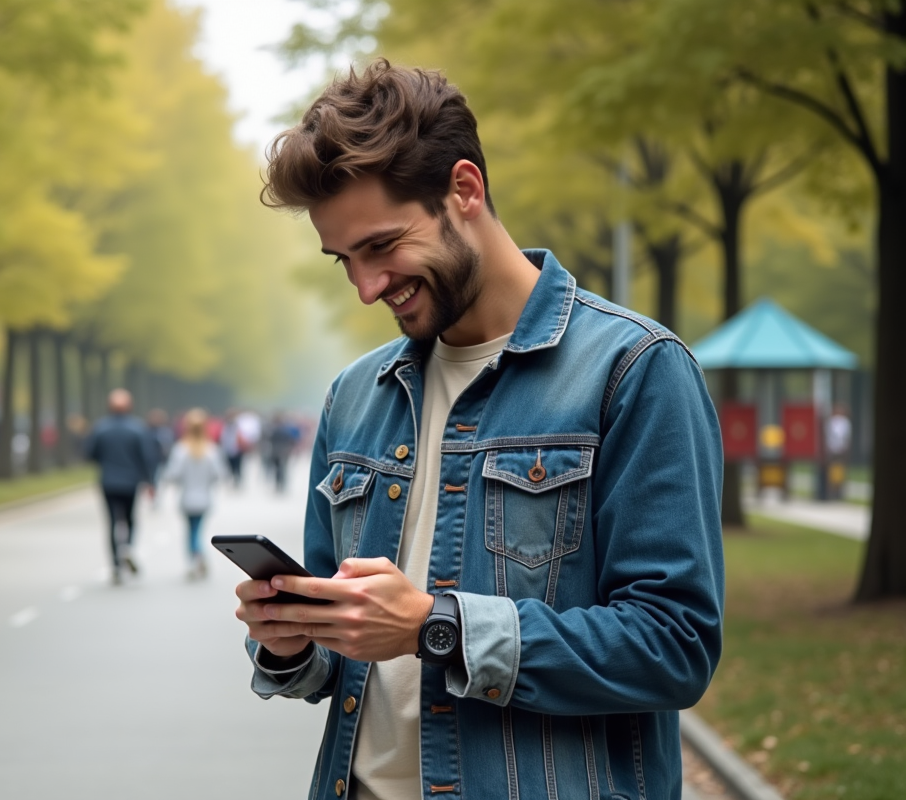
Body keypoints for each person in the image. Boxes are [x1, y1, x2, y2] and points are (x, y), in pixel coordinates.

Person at [232, 61, 724, 800]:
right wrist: (291, 641)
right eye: (344, 261)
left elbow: (674, 648)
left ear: (464, 190)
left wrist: (439, 627)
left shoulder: (634, 370)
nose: (366, 288)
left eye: (381, 246)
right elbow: (345, 662)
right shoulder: (355, 395)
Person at [84, 389, 158, 584]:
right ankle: (128, 548)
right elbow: (146, 457)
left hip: (108, 481)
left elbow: (90, 453)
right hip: (130, 481)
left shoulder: (100, 428)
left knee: (111, 523)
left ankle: (116, 565)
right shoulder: (137, 428)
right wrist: (151, 481)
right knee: (130, 519)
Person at [163, 408, 227, 580]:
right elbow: (220, 474)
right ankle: (197, 556)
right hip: (205, 498)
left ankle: (195, 557)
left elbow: (172, 475)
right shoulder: (211, 450)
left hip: (186, 498)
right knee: (197, 530)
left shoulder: (180, 450)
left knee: (190, 531)